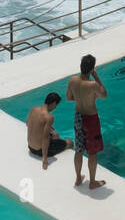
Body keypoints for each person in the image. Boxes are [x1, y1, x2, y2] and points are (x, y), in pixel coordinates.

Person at [66, 55, 107, 190]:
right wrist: (96, 77)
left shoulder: (72, 81)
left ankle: (78, 178)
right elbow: (104, 95)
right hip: (90, 119)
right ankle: (92, 182)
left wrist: (80, 98)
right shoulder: (92, 85)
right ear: (91, 69)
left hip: (78, 116)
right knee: (92, 152)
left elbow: (68, 97)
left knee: (78, 149)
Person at [26, 92, 69, 170]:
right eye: (56, 105)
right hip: (39, 151)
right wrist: (44, 159)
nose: (55, 107)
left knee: (55, 134)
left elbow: (28, 124)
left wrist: (44, 127)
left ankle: (56, 141)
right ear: (53, 103)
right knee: (69, 142)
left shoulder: (34, 109)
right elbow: (45, 139)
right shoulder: (49, 117)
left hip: (30, 147)